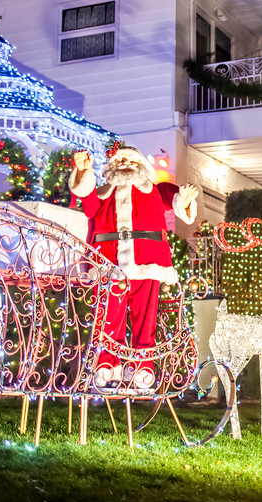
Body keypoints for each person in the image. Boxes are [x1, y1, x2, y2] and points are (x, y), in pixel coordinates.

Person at [69, 147, 198, 389]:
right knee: (110, 317)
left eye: (131, 160)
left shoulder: (155, 191)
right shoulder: (102, 193)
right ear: (112, 166)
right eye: (121, 159)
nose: (126, 163)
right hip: (109, 263)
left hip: (148, 261)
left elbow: (176, 198)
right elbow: (87, 205)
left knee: (145, 318)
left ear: (141, 165)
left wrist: (186, 200)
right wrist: (84, 172)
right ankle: (107, 364)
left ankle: (142, 366)